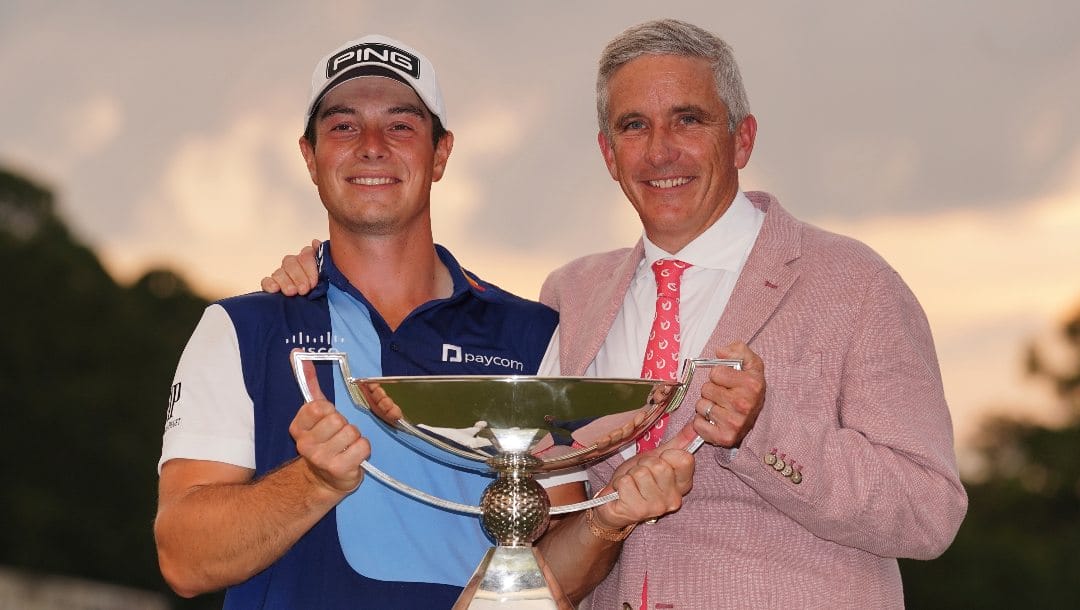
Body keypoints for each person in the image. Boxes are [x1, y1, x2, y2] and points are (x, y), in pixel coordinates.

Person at [265, 19, 968, 608]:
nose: (661, 150)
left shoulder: (854, 283)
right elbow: (539, 492)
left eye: (688, 119)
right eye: (635, 125)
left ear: (742, 139)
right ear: (608, 153)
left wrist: (763, 432)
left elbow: (929, 512)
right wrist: (322, 272)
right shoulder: (571, 292)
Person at [156, 33, 694, 609]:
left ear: (440, 154)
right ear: (309, 157)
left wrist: (609, 519)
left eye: (401, 126)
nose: (371, 146)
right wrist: (313, 482)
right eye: (342, 126)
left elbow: (549, 579)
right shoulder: (241, 330)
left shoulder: (533, 335)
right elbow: (184, 559)